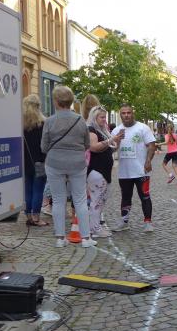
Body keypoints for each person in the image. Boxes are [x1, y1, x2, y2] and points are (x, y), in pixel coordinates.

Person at [40, 85, 95, 248]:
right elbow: (87, 144)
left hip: (54, 163)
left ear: (56, 101)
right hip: (77, 163)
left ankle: (60, 238)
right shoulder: (80, 121)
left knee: (58, 200)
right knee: (80, 199)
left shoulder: (49, 121)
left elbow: (43, 147)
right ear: (70, 101)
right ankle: (85, 238)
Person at [111, 104, 156, 232]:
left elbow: (152, 145)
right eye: (123, 113)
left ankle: (148, 222)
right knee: (125, 197)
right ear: (120, 115)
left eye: (128, 112)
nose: (126, 115)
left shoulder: (142, 128)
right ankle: (124, 222)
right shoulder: (116, 131)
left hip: (141, 171)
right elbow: (112, 149)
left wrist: (148, 161)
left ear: (132, 113)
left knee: (145, 196)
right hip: (124, 172)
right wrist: (117, 141)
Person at [86, 106, 121, 238]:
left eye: (105, 117)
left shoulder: (102, 130)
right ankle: (95, 228)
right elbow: (93, 147)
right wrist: (111, 140)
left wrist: (117, 141)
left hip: (104, 171)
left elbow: (110, 149)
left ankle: (94, 227)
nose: (104, 120)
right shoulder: (91, 130)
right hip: (96, 170)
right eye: (102, 117)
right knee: (97, 200)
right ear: (94, 117)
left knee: (102, 199)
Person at [22, 95, 48, 227]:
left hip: (25, 162)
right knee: (38, 190)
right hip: (40, 161)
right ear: (38, 106)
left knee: (28, 189)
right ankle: (36, 218)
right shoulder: (43, 124)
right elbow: (45, 145)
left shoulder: (21, 124)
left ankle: (28, 215)